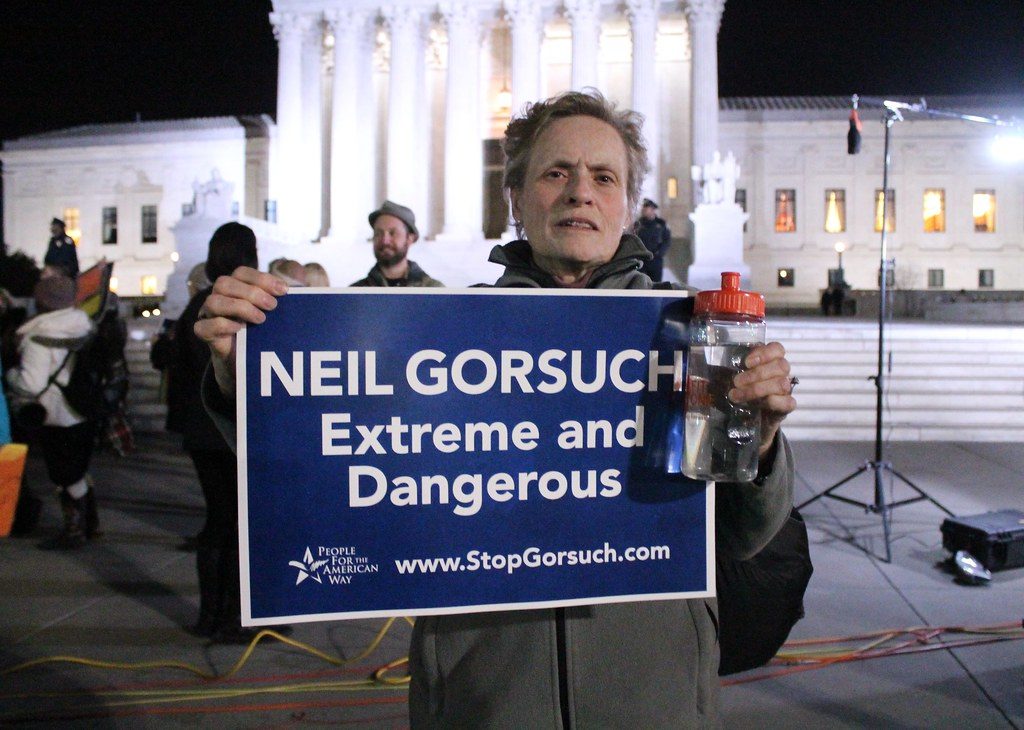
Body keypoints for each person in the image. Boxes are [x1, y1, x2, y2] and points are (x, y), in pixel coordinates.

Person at [195, 90, 797, 726]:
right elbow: (332, 472)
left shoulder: (690, 336)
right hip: (484, 697)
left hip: (654, 695)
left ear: (626, 204)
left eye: (603, 176)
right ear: (515, 198)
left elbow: (743, 535)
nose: (580, 193)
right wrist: (250, 378)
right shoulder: (436, 337)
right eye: (555, 172)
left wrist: (756, 446)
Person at [170, 222, 267, 642]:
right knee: (238, 524)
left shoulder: (194, 308)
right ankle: (234, 617)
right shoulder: (236, 309)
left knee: (217, 522)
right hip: (228, 431)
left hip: (200, 432)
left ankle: (210, 614)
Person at [7, 276, 98, 549]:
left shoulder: (38, 335)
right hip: (83, 408)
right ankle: (89, 523)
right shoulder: (84, 325)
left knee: (63, 474)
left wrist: (11, 374)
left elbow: (31, 384)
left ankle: (75, 529)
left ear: (42, 300)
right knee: (78, 470)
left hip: (55, 414)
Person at [350, 200, 443, 287]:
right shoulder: (354, 294)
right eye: (378, 233)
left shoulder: (434, 291)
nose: (385, 240)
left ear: (410, 238)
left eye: (392, 233)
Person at [633, 198, 672, 282]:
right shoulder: (638, 224)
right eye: (643, 208)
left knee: (655, 285)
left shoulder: (661, 224)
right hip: (641, 261)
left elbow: (667, 240)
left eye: (646, 208)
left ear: (653, 210)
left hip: (655, 260)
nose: (643, 210)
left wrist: (659, 252)